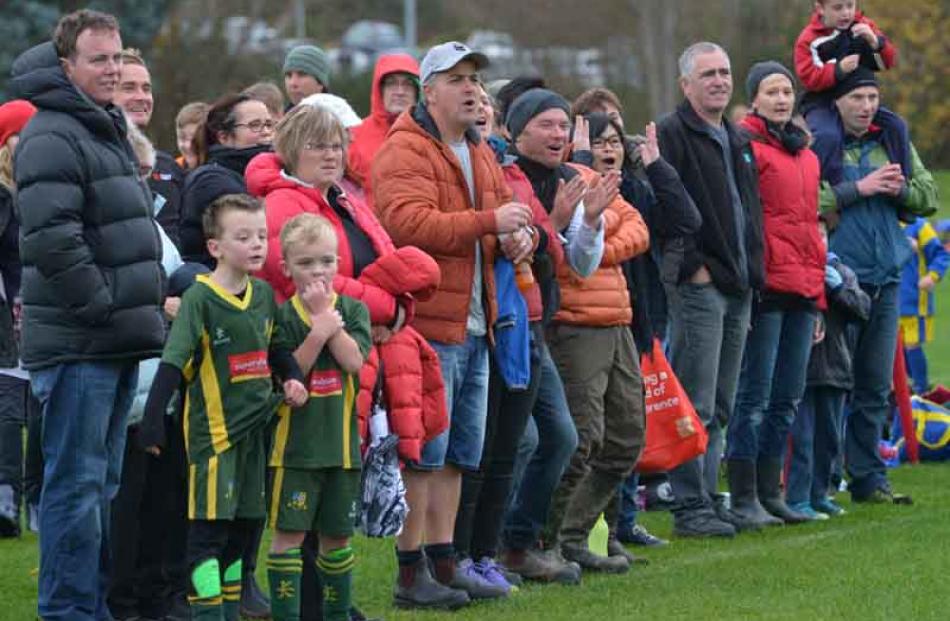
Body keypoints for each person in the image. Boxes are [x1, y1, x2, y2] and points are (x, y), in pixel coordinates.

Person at [245, 102, 450, 614]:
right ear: (292, 150)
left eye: (336, 143)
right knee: (308, 482)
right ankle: (312, 605)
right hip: (310, 362)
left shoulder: (344, 198)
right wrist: (382, 304)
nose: (330, 153)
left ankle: (334, 603)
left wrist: (399, 305)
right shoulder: (282, 204)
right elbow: (308, 278)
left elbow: (382, 263)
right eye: (317, 144)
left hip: (358, 346)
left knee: (339, 482)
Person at [9, 9, 167, 618]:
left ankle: (90, 608)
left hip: (111, 341)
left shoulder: (101, 125)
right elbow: (51, 239)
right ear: (67, 64)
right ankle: (69, 612)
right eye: (98, 59)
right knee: (75, 491)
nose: (112, 69)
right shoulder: (54, 131)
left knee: (99, 489)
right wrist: (103, 307)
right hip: (81, 343)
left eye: (117, 56)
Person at [373, 41, 533, 604]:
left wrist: (519, 235)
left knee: (462, 454)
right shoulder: (404, 148)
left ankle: (445, 561)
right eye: (458, 78)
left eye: (475, 78)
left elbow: (508, 216)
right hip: (429, 326)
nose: (471, 88)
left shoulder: (479, 147)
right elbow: (406, 223)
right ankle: (410, 573)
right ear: (430, 90)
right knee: (425, 455)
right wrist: (490, 220)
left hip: (476, 323)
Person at [138, 193, 308, 621]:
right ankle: (208, 614)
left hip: (257, 436)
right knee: (208, 536)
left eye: (262, 235)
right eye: (244, 236)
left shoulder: (265, 295)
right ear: (215, 247)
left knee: (244, 533)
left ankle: (229, 612)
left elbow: (277, 347)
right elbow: (173, 362)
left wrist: (291, 377)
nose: (257, 244)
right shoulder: (200, 299)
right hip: (215, 441)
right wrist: (154, 420)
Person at [503, 89, 650, 573]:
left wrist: (590, 224)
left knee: (626, 439)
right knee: (576, 440)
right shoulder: (510, 179)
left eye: (563, 125)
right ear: (517, 128)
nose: (558, 134)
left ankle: (572, 534)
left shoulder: (578, 176)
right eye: (547, 125)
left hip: (617, 318)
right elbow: (552, 256)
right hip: (567, 323)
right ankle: (544, 541)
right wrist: (568, 225)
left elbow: (632, 226)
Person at [451, 84, 564, 591]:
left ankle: (488, 554)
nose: (480, 114)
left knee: (511, 446)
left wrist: (532, 237)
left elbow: (550, 244)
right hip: (482, 321)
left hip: (527, 322)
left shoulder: (507, 169)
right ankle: (458, 555)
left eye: (485, 107)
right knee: (482, 448)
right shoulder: (456, 163)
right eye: (470, 103)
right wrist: (499, 234)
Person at [809, 68, 937, 504]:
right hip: (840, 282)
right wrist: (859, 188)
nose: (866, 106)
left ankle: (868, 478)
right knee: (829, 387)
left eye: (872, 97)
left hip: (886, 278)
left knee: (874, 386)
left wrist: (899, 191)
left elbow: (928, 194)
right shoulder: (822, 143)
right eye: (857, 98)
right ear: (837, 103)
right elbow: (806, 198)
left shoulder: (891, 141)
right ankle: (821, 481)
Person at [656, 41, 765, 538]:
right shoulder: (671, 135)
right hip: (701, 287)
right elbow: (662, 209)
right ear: (686, 85)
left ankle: (708, 497)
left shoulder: (737, 136)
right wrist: (692, 267)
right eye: (708, 75)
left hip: (738, 284)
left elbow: (749, 210)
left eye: (724, 72)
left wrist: (754, 271)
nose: (719, 81)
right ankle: (688, 506)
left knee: (721, 402)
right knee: (695, 402)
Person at [583, 111, 700, 549]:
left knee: (630, 429)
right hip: (593, 323)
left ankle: (623, 523)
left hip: (640, 320)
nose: (609, 150)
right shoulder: (571, 191)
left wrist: (656, 165)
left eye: (615, 142)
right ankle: (590, 530)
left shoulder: (635, 190)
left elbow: (686, 219)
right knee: (597, 433)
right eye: (599, 143)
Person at [726, 61, 826, 526]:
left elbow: (812, 230)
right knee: (755, 396)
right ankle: (743, 495)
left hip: (804, 290)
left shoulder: (807, 155)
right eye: (772, 91)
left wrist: (819, 295)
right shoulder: (744, 145)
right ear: (755, 99)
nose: (782, 99)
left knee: (787, 396)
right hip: (767, 289)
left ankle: (772, 491)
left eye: (787, 90)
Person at [266, 214, 371, 621]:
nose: (317, 271)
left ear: (339, 263)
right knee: (289, 537)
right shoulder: (281, 317)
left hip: (341, 451)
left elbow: (353, 360)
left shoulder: (354, 311)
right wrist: (316, 329)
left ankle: (336, 614)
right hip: (294, 453)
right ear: (286, 268)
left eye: (326, 261)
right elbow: (288, 373)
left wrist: (331, 323)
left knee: (337, 538)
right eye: (306, 263)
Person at [108, 122, 192, 621]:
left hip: (160, 383)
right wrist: (161, 305)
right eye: (134, 171)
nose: (145, 181)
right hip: (129, 382)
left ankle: (160, 593)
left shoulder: (152, 223)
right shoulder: (113, 221)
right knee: (128, 505)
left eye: (147, 171)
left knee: (164, 499)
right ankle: (124, 600)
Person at [788, 243, 870, 519]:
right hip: (804, 369)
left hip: (836, 368)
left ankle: (820, 494)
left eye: (822, 234)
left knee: (830, 438)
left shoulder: (842, 273)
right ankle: (797, 497)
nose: (818, 240)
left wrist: (837, 290)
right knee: (802, 438)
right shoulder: (793, 270)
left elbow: (862, 309)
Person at [0, 99, 38, 539]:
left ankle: (38, 499)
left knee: (42, 415)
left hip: (45, 314)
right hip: (10, 315)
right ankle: (6, 497)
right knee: (8, 413)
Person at [180, 93, 274, 267]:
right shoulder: (211, 181)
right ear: (224, 137)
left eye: (269, 124)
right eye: (255, 125)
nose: (266, 132)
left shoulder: (268, 172)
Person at [113, 47, 184, 248]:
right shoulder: (95, 160)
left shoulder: (168, 166)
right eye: (129, 88)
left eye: (146, 88)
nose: (142, 97)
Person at [794, 0, 897, 116]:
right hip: (823, 104)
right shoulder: (809, 39)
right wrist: (838, 70)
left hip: (864, 103)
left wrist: (876, 43)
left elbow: (887, 63)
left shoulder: (864, 26)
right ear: (820, 8)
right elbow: (809, 79)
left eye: (850, 6)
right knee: (828, 133)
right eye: (838, 8)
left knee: (897, 126)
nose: (846, 13)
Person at [348, 53, 420, 188]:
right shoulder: (354, 136)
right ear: (379, 90)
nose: (400, 91)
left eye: (407, 84)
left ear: (417, 91)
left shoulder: (432, 135)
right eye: (391, 83)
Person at [899, 217, 949, 395]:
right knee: (897, 348)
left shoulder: (919, 226)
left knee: (912, 345)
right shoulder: (884, 222)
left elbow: (941, 254)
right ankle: (906, 388)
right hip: (890, 301)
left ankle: (922, 389)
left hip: (914, 301)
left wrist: (932, 276)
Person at [176, 101, 209, 171]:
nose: (188, 145)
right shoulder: (173, 169)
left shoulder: (220, 172)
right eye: (183, 138)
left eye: (195, 139)